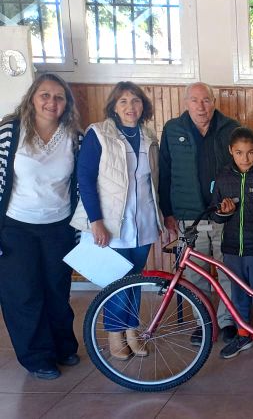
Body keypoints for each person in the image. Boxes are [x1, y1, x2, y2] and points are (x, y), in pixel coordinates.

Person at [71, 81, 163, 360]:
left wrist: (161, 217)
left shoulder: (149, 136)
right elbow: (85, 179)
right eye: (123, 101)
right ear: (114, 106)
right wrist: (96, 220)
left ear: (143, 106)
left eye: (135, 100)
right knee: (116, 281)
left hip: (143, 221)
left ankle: (132, 330)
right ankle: (114, 333)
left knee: (134, 280)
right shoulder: (99, 133)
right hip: (111, 223)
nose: (130, 106)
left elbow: (155, 181)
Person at [0, 74, 82, 379]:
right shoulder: (10, 131)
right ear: (32, 98)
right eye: (45, 95)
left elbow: (79, 186)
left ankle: (62, 346)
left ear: (67, 103)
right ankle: (37, 357)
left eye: (59, 97)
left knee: (57, 291)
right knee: (23, 294)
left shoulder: (75, 138)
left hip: (58, 227)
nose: (51, 102)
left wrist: (80, 230)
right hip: (15, 227)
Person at [158, 82, 240, 344]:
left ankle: (228, 322)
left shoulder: (231, 128)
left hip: (225, 215)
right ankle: (203, 321)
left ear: (214, 101)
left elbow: (241, 171)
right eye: (194, 100)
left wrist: (236, 205)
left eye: (206, 100)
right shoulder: (173, 129)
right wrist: (167, 212)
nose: (201, 106)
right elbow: (164, 172)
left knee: (229, 272)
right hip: (188, 216)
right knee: (195, 273)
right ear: (186, 103)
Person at [210, 127, 253, 359]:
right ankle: (243, 336)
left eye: (250, 152)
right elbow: (215, 214)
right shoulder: (222, 177)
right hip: (232, 250)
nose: (245, 158)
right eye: (239, 153)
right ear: (231, 151)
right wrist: (223, 212)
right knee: (238, 296)